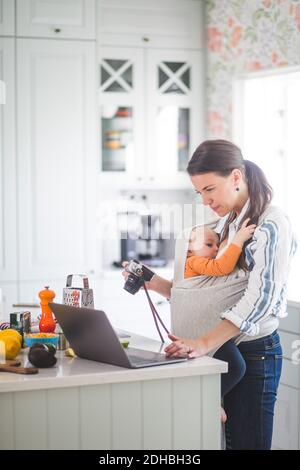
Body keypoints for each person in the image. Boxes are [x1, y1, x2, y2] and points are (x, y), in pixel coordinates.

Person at [122, 139, 296, 450]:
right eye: (199, 193)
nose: (204, 200)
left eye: (210, 189)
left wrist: (203, 343)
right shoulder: (224, 225)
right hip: (218, 350)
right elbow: (209, 294)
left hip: (251, 353)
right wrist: (153, 282)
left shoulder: (271, 224)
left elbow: (260, 299)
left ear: (236, 177)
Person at [184, 219, 256, 423]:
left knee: (223, 366)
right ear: (189, 249)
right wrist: (239, 240)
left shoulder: (196, 263)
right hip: (203, 325)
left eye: (217, 244)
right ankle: (209, 398)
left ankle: (212, 397)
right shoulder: (193, 262)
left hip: (204, 323)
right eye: (209, 244)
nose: (216, 249)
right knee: (235, 366)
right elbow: (221, 267)